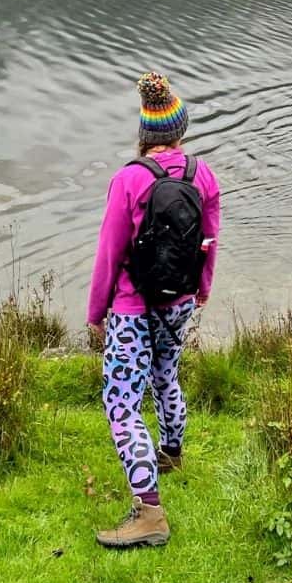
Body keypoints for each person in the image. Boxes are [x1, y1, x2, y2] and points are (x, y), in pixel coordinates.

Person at [87, 72, 221, 548]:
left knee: (121, 402)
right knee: (166, 374)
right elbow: (209, 240)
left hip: (132, 305)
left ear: (144, 133)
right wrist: (201, 289)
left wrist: (97, 311)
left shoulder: (129, 179)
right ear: (180, 130)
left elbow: (109, 251)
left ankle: (149, 513)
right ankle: (171, 453)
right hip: (180, 298)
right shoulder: (202, 175)